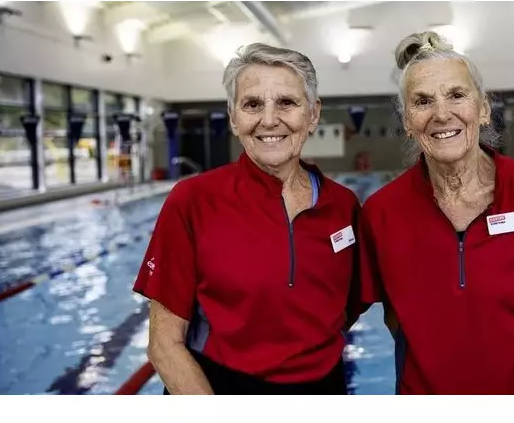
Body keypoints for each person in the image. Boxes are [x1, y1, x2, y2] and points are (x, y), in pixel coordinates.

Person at [356, 31, 514, 395]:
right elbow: (394, 315)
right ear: (406, 121)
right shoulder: (382, 212)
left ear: (483, 108)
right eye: (422, 101)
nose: (441, 114)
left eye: (457, 95)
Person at [133, 43, 361, 395]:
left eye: (286, 102)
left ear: (313, 114)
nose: (269, 119)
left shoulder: (343, 206)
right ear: (234, 117)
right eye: (252, 104)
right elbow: (164, 345)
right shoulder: (193, 201)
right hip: (217, 385)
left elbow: (347, 306)